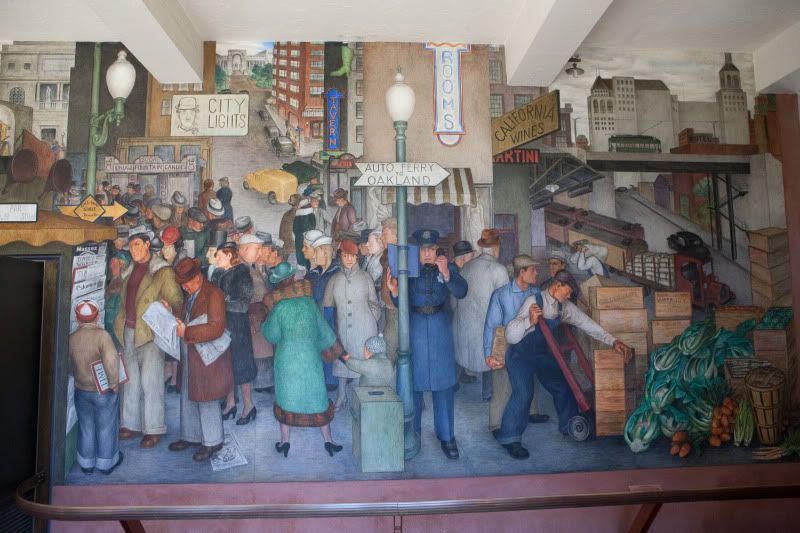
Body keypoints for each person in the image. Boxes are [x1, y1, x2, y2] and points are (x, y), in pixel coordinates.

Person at [498, 270, 632, 458]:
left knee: (563, 386)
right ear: (557, 286)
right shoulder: (533, 301)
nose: (569, 296)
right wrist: (529, 320)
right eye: (567, 292)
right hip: (520, 355)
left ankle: (570, 426)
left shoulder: (564, 307)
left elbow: (587, 324)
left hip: (542, 355)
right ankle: (510, 438)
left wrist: (614, 341)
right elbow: (510, 335)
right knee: (523, 393)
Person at [386, 229, 468, 459]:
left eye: (431, 249)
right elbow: (400, 301)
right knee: (414, 384)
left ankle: (447, 436)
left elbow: (462, 291)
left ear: (437, 249)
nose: (428, 254)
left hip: (441, 329)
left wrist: (447, 275)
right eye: (423, 250)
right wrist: (394, 293)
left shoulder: (447, 267)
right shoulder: (408, 270)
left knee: (444, 385)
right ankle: (413, 434)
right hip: (416, 329)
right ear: (416, 252)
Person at [262, 262, 345, 458]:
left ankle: (285, 442)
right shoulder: (309, 303)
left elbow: (271, 335)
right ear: (293, 279)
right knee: (318, 398)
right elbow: (324, 331)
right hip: (310, 359)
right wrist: (340, 352)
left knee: (286, 399)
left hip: (287, 362)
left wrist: (263, 323)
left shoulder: (279, 307)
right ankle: (328, 441)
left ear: (278, 284)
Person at [113, 226, 183, 449]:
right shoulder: (129, 270)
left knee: (151, 382)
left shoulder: (162, 270)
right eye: (130, 246)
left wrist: (170, 306)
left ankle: (153, 428)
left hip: (151, 332)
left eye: (137, 245)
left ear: (146, 244)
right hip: (128, 330)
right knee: (129, 380)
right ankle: (130, 424)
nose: (133, 250)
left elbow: (177, 300)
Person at [167, 258, 234, 462]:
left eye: (186, 282)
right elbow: (187, 316)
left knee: (207, 399)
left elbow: (216, 327)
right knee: (188, 395)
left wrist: (186, 332)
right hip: (191, 354)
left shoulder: (214, 294)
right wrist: (170, 311)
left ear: (198, 276)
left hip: (208, 358)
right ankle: (191, 436)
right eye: (181, 283)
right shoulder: (192, 294)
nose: (184, 287)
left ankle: (213, 441)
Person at [484, 255, 547, 433]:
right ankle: (496, 424)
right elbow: (491, 326)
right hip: (506, 344)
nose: (536, 273)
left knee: (531, 378)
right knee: (502, 383)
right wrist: (489, 354)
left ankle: (533, 412)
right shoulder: (501, 294)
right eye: (533, 269)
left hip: (530, 344)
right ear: (522, 272)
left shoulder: (536, 293)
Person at [452, 229, 509, 401]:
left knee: (466, 352)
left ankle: (454, 382)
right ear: (496, 247)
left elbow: (455, 301)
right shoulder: (499, 269)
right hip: (484, 326)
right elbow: (505, 304)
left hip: (465, 325)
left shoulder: (467, 266)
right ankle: (489, 392)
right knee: (493, 345)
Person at [323, 239, 381, 410]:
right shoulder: (334, 279)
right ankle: (341, 396)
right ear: (340, 256)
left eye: (353, 256)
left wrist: (371, 320)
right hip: (341, 328)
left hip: (363, 329)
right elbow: (327, 305)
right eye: (345, 255)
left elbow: (374, 303)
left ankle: (358, 399)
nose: (349, 259)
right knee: (342, 362)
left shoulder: (365, 277)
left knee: (359, 365)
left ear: (357, 257)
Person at [69, 300, 124, 475]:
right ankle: (105, 464)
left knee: (86, 426)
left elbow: (68, 367)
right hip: (103, 391)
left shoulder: (71, 338)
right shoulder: (103, 336)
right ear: (97, 316)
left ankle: (86, 463)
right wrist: (114, 384)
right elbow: (111, 362)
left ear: (77, 319)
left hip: (81, 390)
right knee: (106, 425)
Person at [212, 241, 258, 425]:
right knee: (226, 367)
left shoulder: (242, 273)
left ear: (230, 255)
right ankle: (230, 403)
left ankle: (248, 406)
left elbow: (244, 304)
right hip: (221, 326)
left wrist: (222, 303)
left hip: (238, 328)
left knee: (242, 367)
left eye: (220, 256)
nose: (216, 259)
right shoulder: (216, 273)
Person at [239, 234, 274, 394]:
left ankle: (263, 382)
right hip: (254, 318)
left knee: (263, 350)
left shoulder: (250, 267)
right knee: (260, 351)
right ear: (245, 249)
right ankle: (262, 383)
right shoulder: (242, 270)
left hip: (260, 316)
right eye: (257, 249)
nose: (260, 253)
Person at [379, 218, 399, 364]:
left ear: (396, 236)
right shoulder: (389, 255)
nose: (381, 237)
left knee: (388, 356)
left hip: (396, 314)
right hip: (389, 311)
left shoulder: (400, 257)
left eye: (385, 234)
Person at [105, 250, 132, 349]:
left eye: (114, 262)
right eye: (111, 262)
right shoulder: (113, 280)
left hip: (113, 332)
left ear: (122, 264)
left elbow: (112, 316)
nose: (110, 265)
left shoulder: (120, 285)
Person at [293, 198, 316, 270]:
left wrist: (297, 234)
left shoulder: (297, 216)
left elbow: (294, 228)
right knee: (307, 251)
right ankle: (307, 265)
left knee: (299, 250)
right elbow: (313, 226)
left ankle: (301, 264)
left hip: (298, 237)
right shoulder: (311, 215)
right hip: (308, 237)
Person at [279, 194, 301, 260]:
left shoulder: (286, 214)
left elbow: (281, 233)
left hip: (285, 247)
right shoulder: (299, 214)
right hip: (295, 249)